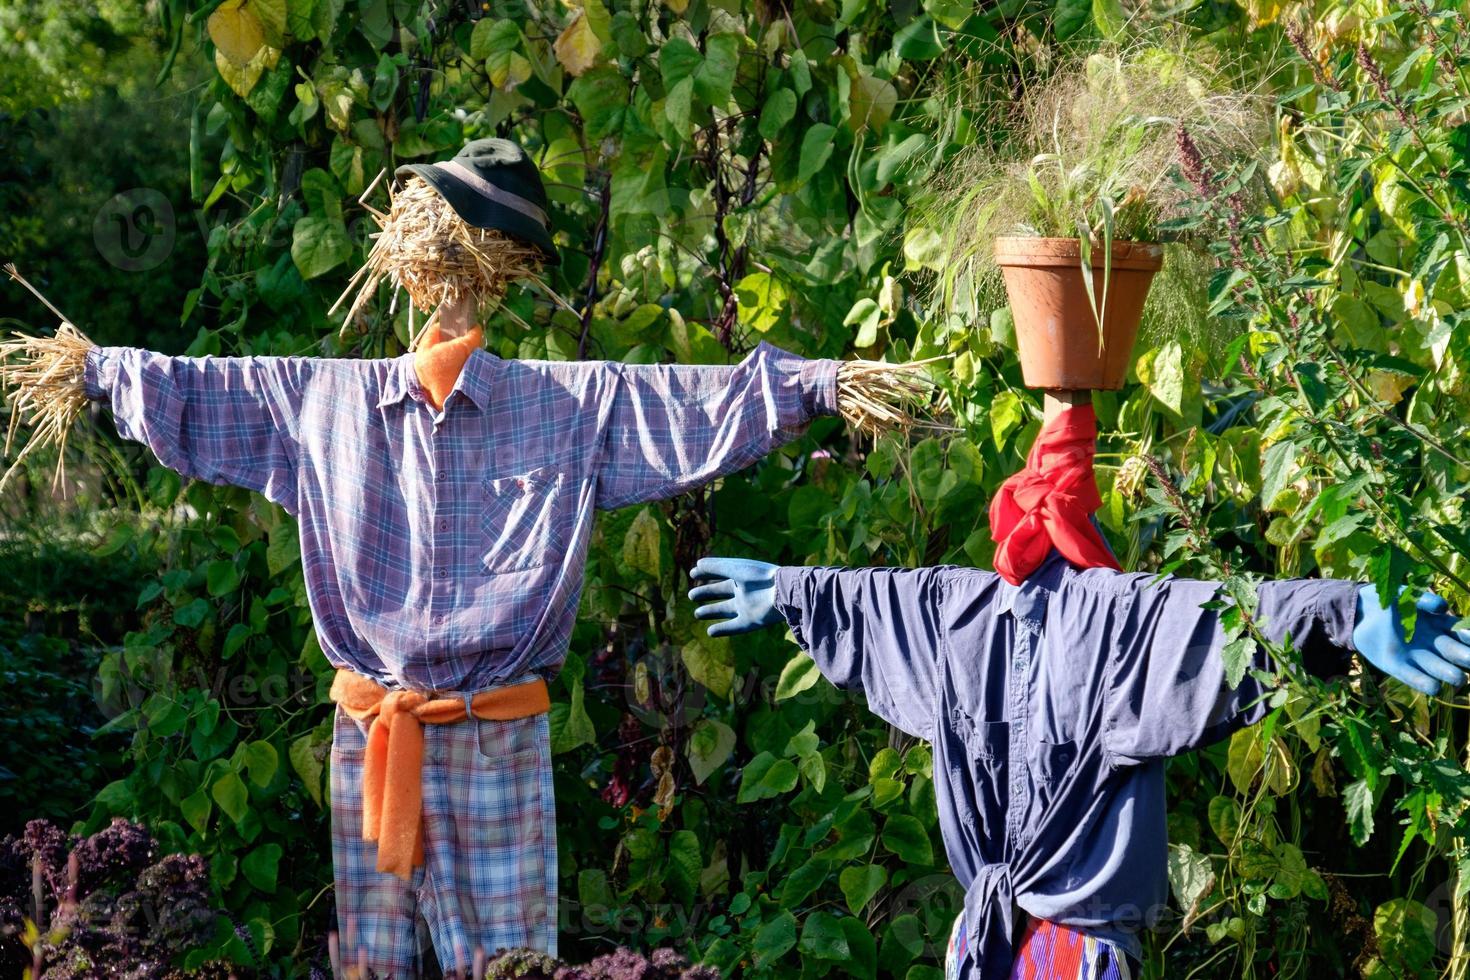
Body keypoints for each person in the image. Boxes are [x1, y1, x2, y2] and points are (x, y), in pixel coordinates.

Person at [80, 139, 848, 977]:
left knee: (509, 967)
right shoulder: (322, 402)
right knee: (372, 967)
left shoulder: (565, 409)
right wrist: (99, 373)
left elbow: (690, 405)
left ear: (496, 270)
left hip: (495, 740)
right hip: (372, 734)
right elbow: (201, 391)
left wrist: (817, 387)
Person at [686, 407, 1470, 980]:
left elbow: (876, 599)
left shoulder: (977, 609)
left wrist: (792, 590)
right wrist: (1350, 611)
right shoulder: (1087, 616)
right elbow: (1233, 612)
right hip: (1058, 950)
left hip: (1007, 946)